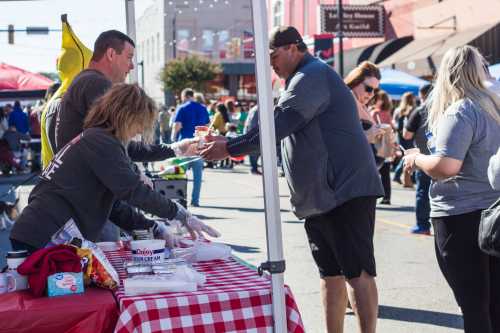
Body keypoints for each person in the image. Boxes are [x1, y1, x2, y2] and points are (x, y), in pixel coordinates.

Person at [200, 26, 383, 333]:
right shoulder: (302, 78)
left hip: (344, 190)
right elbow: (274, 127)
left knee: (357, 272)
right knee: (330, 274)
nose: (269, 62)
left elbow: (279, 124)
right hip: (322, 196)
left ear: (293, 48)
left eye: (272, 54)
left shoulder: (311, 75)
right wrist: (228, 141)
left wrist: (228, 147)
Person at [10, 84, 219, 253]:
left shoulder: (99, 138)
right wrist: (181, 214)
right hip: (43, 235)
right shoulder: (101, 142)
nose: (139, 130)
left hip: (40, 233)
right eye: (140, 123)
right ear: (126, 116)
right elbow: (132, 190)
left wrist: (156, 228)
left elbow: (115, 207)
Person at [55, 30, 197, 241]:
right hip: (86, 201)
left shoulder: (86, 82)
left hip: (86, 195)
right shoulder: (97, 84)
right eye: (129, 57)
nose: (131, 66)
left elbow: (119, 145)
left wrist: (174, 149)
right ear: (111, 54)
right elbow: (117, 147)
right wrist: (138, 174)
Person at [403, 46, 500, 333]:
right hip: (493, 211)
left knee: (473, 304)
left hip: (461, 215)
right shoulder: (493, 106)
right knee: (493, 302)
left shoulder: (462, 110)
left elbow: (446, 167)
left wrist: (416, 159)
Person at [172, 88, 210, 207]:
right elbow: (207, 126)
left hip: (184, 145)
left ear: (184, 96)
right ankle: (195, 201)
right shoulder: (203, 108)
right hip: (199, 145)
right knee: (198, 176)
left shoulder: (182, 108)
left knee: (180, 174)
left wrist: (173, 140)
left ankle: (181, 200)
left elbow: (177, 126)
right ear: (193, 96)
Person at [403, 84, 433, 235]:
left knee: (423, 193)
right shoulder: (447, 107)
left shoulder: (420, 111)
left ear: (422, 95)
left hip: (423, 159)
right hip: (445, 157)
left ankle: (423, 226)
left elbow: (407, 135)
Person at [370, 90, 394, 205]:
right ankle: (387, 197)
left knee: (373, 172)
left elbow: (370, 127)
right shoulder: (388, 113)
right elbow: (391, 128)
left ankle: (373, 195)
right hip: (386, 145)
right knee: (385, 173)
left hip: (375, 145)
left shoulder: (375, 112)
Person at [392, 92, 416, 185]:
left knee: (405, 156)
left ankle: (399, 176)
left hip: (400, 136)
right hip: (409, 136)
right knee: (408, 156)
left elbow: (393, 122)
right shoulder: (413, 110)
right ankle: (398, 175)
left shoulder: (398, 110)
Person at [244, 105, 261, 175]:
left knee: (254, 151)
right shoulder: (258, 109)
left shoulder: (254, 109)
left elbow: (248, 121)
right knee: (254, 151)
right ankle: (254, 168)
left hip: (250, 131)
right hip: (254, 132)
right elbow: (253, 122)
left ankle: (254, 168)